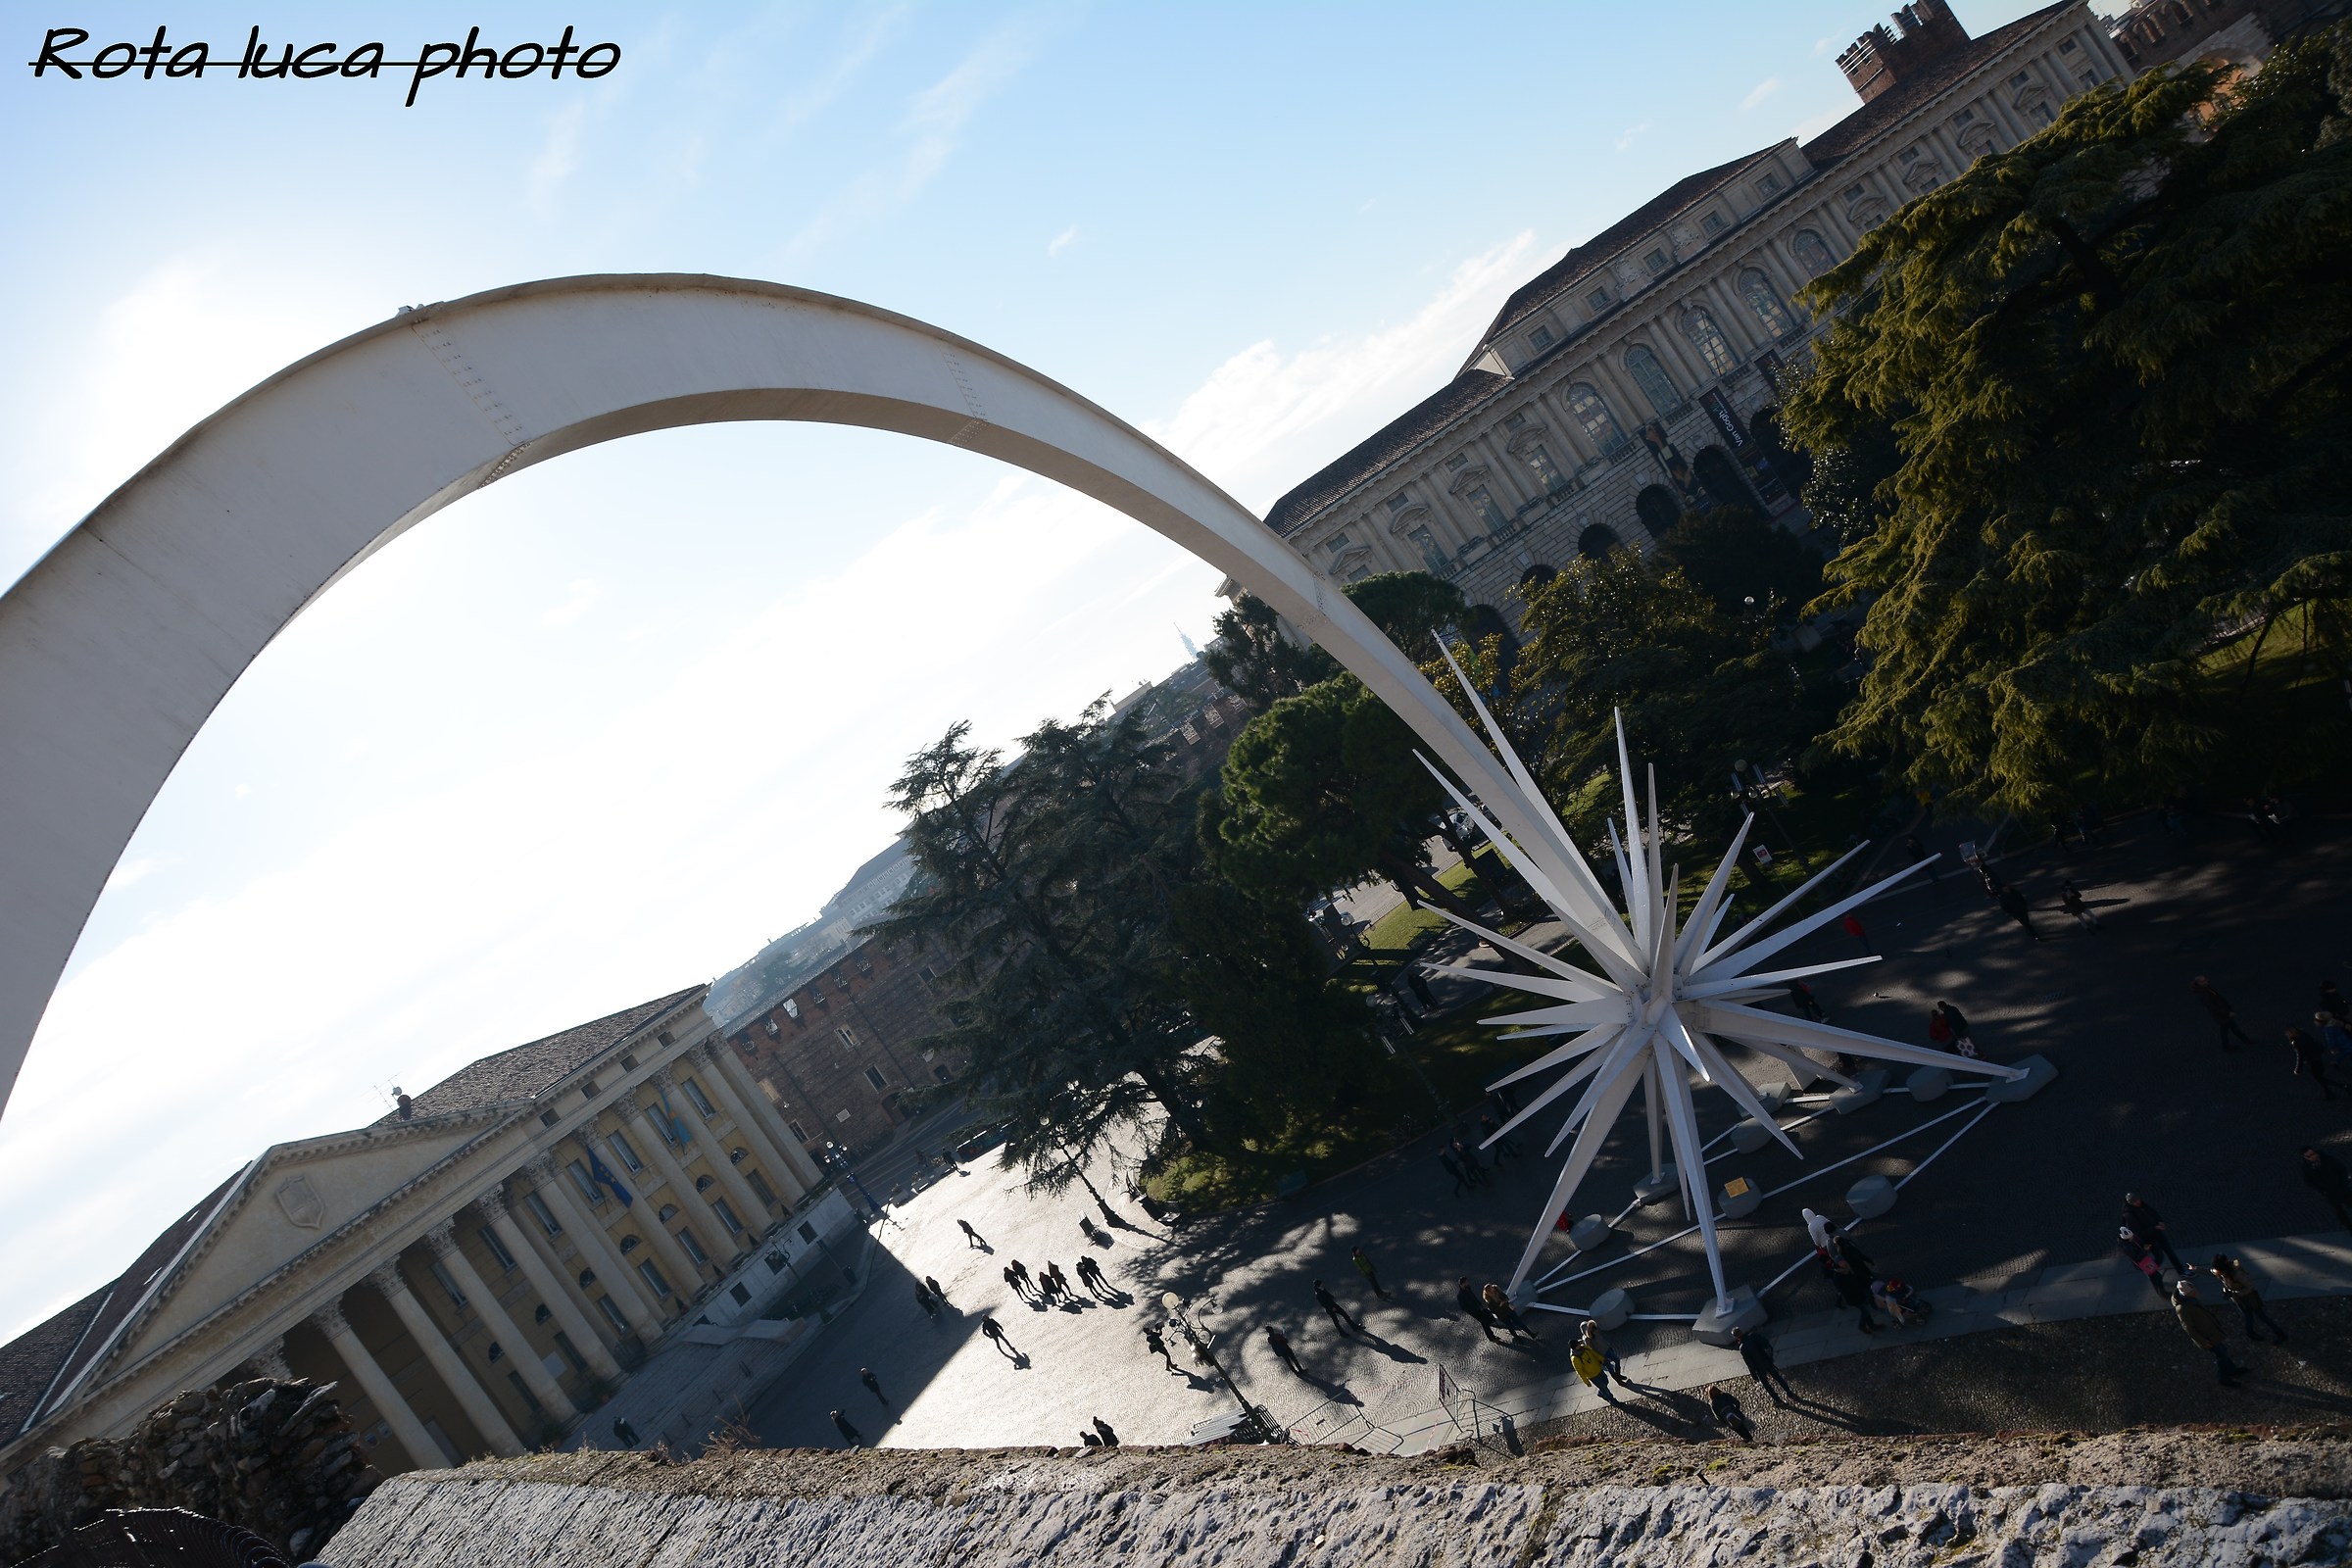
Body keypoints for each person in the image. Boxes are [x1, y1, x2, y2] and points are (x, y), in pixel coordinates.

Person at [2172, 1279, 2244, 1384]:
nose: (2196, 1291)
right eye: (2193, 1291)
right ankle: (2223, 1378)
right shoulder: (2183, 1308)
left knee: (2223, 1353)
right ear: (2188, 1294)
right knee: (2221, 1355)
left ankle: (2232, 1370)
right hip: (2207, 1337)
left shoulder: (2190, 1300)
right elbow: (2188, 1328)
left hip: (2211, 1332)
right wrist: (2203, 1341)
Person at [2210, 1253, 2286, 1344]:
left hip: (2250, 1299)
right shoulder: (2224, 1273)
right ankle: (2250, 1332)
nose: (2216, 1271)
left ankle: (2280, 1334)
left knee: (2261, 1316)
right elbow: (2212, 1272)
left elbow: (2250, 1287)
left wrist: (2234, 1294)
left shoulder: (2237, 1274)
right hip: (2240, 1300)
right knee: (2248, 1315)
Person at [2123, 1194, 2186, 1275]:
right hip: (2148, 1240)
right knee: (2159, 1257)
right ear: (2130, 1203)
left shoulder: (2144, 1205)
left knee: (2170, 1252)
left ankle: (2181, 1271)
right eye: (2135, 1202)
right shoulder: (2129, 1215)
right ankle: (2152, 1272)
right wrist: (2155, 1228)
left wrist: (2160, 1221)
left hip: (2158, 1234)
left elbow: (2154, 1213)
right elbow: (2138, 1232)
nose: (2138, 1202)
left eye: (2138, 1200)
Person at [2192, 975, 2257, 1052]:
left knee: (2228, 1029)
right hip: (2222, 1015)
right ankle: (2236, 1043)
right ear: (2199, 983)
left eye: (2205, 979)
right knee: (2230, 1029)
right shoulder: (2205, 993)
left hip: (2222, 1014)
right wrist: (2227, 1013)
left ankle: (2234, 1044)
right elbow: (2214, 1007)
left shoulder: (2205, 990)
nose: (2206, 981)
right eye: (2203, 981)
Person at [1733, 1327, 1791, 1403]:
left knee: (1766, 1385)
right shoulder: (1753, 1337)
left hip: (1759, 1368)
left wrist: (1754, 1376)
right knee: (1778, 1377)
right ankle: (1789, 1392)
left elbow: (1749, 1363)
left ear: (1736, 1337)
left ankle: (1778, 1400)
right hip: (1766, 1361)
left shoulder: (1743, 1348)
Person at [2300, 1145, 2352, 1230]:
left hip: (2341, 1188)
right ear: (2305, 1157)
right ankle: (2349, 1226)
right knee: (2339, 1211)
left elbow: (2342, 1169)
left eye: (2313, 1153)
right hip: (2328, 1192)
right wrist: (2321, 1190)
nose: (2313, 1156)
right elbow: (2308, 1181)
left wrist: (2344, 1184)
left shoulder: (2328, 1159)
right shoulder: (2306, 1167)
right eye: (2309, 1156)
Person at [1825, 1256, 1880, 1332]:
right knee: (1866, 1311)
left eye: (1843, 1260)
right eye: (1841, 1262)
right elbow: (1845, 1290)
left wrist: (1870, 1280)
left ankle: (1871, 1325)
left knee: (1866, 1310)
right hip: (1854, 1298)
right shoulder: (1838, 1277)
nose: (1844, 1262)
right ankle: (1862, 1326)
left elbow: (1858, 1276)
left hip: (1860, 1294)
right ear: (1838, 1264)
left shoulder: (1848, 1268)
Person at [2289, 1027, 2344, 1101]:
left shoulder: (2296, 1042)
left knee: (2320, 1079)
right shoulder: (2305, 1035)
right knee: (2320, 1078)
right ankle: (2329, 1093)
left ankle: (2343, 1087)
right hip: (2318, 1059)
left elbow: (2300, 1055)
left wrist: (2298, 1069)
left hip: (2312, 1062)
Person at [2117, 1227, 2168, 1298]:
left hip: (2145, 1260)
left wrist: (2144, 1245)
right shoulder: (2126, 1247)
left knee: (2153, 1276)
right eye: (2131, 1237)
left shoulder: (2130, 1239)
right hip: (2143, 1263)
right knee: (2157, 1276)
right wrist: (2145, 1250)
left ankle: (2160, 1293)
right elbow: (2137, 1257)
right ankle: (2163, 1294)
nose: (2133, 1237)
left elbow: (2139, 1242)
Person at [1570, 1336, 1617, 1403]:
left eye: (1579, 1344)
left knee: (1606, 1381)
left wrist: (1601, 1359)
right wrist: (1586, 1381)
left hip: (1599, 1369)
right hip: (1593, 1376)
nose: (1579, 1346)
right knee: (1605, 1388)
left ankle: (1601, 1393)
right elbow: (1579, 1371)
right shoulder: (1575, 1359)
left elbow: (1594, 1353)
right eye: (1577, 1345)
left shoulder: (1585, 1348)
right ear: (1574, 1348)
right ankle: (1613, 1401)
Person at [1456, 1276, 1501, 1341]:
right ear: (1462, 1284)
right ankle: (1491, 1337)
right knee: (1484, 1322)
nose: (1468, 1283)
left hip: (1479, 1308)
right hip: (1474, 1312)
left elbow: (1474, 1298)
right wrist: (1473, 1310)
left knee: (1485, 1321)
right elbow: (1463, 1307)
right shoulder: (1460, 1296)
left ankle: (1491, 1336)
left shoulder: (1468, 1289)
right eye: (1466, 1282)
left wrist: (1480, 1304)